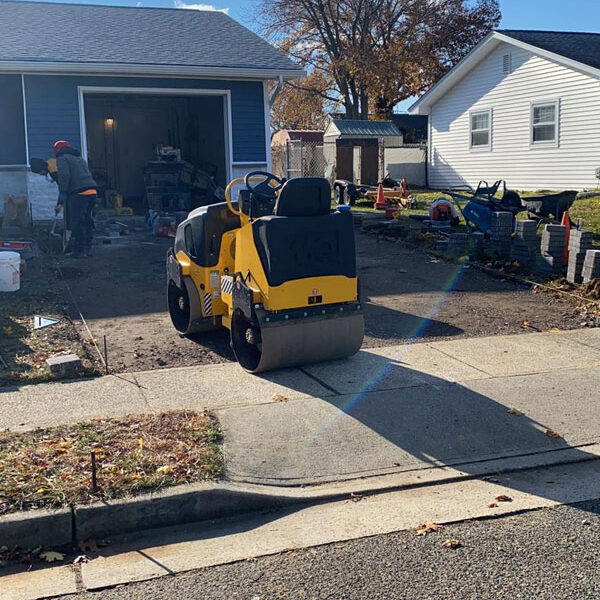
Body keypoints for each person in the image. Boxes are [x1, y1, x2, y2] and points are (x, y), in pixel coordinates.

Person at [53, 140, 97, 257]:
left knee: (77, 222)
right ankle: (87, 249)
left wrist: (63, 191)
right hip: (92, 192)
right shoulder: (79, 159)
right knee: (87, 221)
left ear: (57, 151)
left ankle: (79, 251)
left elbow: (64, 176)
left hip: (79, 194)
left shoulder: (62, 158)